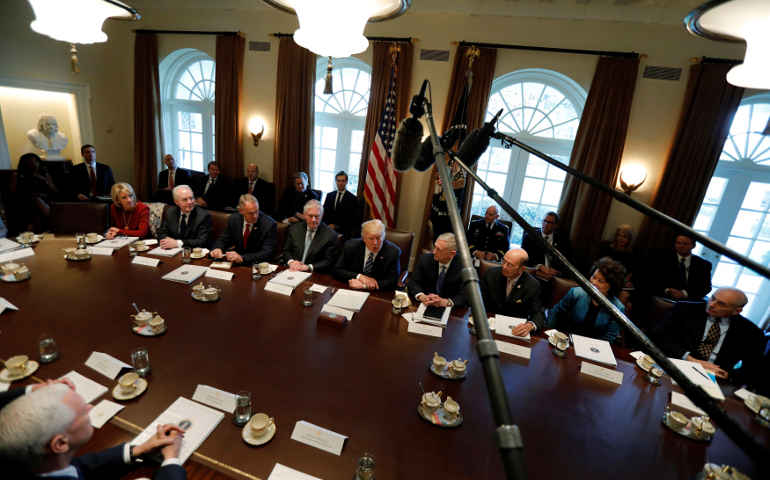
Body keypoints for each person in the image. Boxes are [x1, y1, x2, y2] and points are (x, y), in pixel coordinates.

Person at [0, 382, 186, 479]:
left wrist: (138, 449)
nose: (89, 407)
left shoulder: (38, 466)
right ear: (60, 443)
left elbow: (76, 468)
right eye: (81, 411)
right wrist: (171, 461)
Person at [659, 287, 764, 383]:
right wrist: (690, 359)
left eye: (721, 304)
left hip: (713, 378)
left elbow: (753, 369)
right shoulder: (686, 309)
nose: (711, 304)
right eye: (712, 298)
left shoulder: (752, 332)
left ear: (737, 311)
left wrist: (727, 375)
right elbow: (660, 336)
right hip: (677, 364)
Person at [548, 257, 627, 343]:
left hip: (594, 348)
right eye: (593, 277)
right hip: (567, 341)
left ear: (610, 285)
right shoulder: (576, 293)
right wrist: (550, 332)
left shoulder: (618, 308)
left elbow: (610, 336)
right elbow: (555, 312)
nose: (594, 282)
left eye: (600, 281)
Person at [480, 248, 545, 336]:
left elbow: (538, 313)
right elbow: (479, 301)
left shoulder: (532, 285)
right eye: (503, 261)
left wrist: (530, 325)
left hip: (514, 331)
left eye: (510, 265)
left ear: (522, 268)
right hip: (488, 325)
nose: (504, 266)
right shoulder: (491, 274)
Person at [334, 219, 401, 291]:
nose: (375, 242)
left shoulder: (393, 252)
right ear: (363, 238)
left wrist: (364, 286)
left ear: (383, 237)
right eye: (371, 238)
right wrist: (359, 276)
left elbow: (392, 281)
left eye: (378, 238)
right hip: (351, 289)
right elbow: (337, 270)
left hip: (378, 294)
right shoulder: (351, 246)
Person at [211, 194, 277, 265]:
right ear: (241, 211)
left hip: (257, 265)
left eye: (256, 211)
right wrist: (218, 248)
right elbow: (223, 239)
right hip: (236, 264)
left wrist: (242, 258)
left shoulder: (269, 224)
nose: (255, 216)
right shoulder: (234, 219)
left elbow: (267, 253)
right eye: (251, 213)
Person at [408, 232, 467, 308]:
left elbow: (466, 295)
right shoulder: (425, 259)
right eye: (435, 247)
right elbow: (413, 282)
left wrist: (446, 302)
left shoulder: (464, 268)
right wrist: (422, 296)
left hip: (451, 310)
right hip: (425, 304)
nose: (434, 252)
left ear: (451, 254)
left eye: (439, 249)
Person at [282, 199, 339, 273]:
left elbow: (329, 260)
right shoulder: (294, 229)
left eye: (317, 216)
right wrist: (291, 262)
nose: (314, 220)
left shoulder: (331, 235)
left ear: (321, 216)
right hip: (292, 270)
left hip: (315, 273)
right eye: (310, 216)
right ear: (304, 215)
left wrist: (308, 267)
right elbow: (286, 250)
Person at [654, 234, 712, 301]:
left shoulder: (703, 264)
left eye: (685, 244)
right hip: (663, 298)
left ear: (693, 246)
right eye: (678, 243)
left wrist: (684, 293)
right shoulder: (661, 259)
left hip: (689, 300)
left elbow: (706, 287)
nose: (681, 246)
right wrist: (668, 290)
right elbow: (653, 280)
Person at [520, 211, 572, 282]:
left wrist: (557, 271)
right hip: (535, 272)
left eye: (550, 222)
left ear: (555, 225)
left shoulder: (562, 240)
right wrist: (539, 266)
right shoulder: (530, 237)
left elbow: (566, 260)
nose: (546, 224)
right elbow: (524, 258)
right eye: (544, 221)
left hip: (553, 275)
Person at [14, 153, 58, 233]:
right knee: (35, 203)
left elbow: (54, 190)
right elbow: (18, 194)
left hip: (46, 201)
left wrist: (47, 181)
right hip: (28, 203)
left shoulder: (44, 174)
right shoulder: (20, 176)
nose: (36, 164)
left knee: (41, 203)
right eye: (34, 162)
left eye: (37, 161)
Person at [158, 185, 212, 249]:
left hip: (192, 253)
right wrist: (166, 241)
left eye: (191, 198)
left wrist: (177, 243)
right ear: (176, 202)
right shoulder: (170, 212)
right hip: (171, 251)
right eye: (185, 199)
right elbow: (161, 232)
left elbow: (202, 241)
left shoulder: (203, 216)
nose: (190, 202)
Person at [322, 171, 360, 239]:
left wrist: (336, 226)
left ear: (346, 182)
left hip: (343, 231)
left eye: (343, 181)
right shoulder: (329, 195)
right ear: (336, 181)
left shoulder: (353, 198)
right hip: (328, 228)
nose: (340, 183)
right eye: (338, 181)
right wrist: (328, 225)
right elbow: (324, 213)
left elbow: (352, 220)